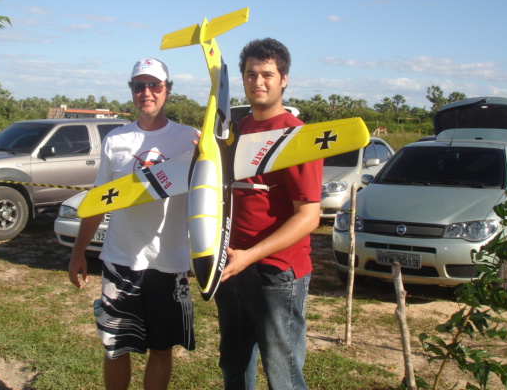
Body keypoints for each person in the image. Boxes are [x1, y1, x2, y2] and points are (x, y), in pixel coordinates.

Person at [68, 58, 197, 390]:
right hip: (120, 260)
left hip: (168, 262)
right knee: (114, 349)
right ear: (132, 92)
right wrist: (78, 252)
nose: (147, 93)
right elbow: (98, 199)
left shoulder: (190, 139)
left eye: (155, 85)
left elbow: (215, 194)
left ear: (167, 90)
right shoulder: (116, 139)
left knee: (162, 349)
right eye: (139, 86)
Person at [215, 38, 324, 390]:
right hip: (231, 266)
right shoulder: (237, 129)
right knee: (234, 368)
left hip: (277, 273)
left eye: (267, 75)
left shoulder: (297, 136)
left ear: (284, 79)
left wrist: (250, 257)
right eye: (250, 74)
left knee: (283, 375)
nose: (257, 82)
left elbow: (309, 217)